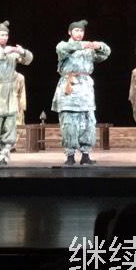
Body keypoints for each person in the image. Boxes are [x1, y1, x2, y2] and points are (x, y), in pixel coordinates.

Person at [51, 19, 111, 165]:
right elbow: (65, 48)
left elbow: (105, 53)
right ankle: (70, 155)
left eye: (82, 31)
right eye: (76, 30)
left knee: (88, 121)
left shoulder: (88, 50)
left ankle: (85, 154)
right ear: (69, 32)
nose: (79, 33)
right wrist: (84, 45)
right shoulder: (63, 46)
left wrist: (99, 45)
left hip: (85, 89)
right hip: (70, 88)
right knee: (69, 123)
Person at [0, 21, 33, 166]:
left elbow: (28, 60)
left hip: (9, 90)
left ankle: (4, 154)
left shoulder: (12, 52)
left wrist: (22, 52)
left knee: (9, 123)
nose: (5, 37)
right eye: (2, 35)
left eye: (6, 35)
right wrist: (5, 52)